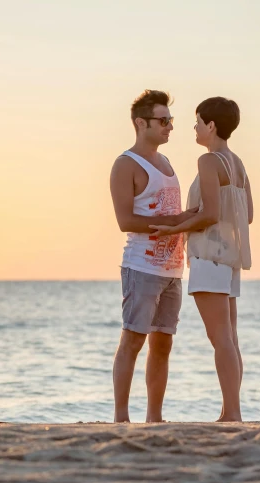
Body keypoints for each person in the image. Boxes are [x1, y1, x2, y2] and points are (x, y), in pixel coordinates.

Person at [150, 97, 253, 422]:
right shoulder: (237, 162)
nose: (193, 127)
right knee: (230, 338)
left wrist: (175, 229)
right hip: (230, 257)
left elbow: (209, 213)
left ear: (211, 126)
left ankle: (232, 414)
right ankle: (230, 410)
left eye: (197, 121)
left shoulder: (209, 162)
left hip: (209, 256)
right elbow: (247, 215)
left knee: (220, 338)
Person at [109, 90, 197, 423]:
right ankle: (121, 418)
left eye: (171, 120)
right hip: (141, 266)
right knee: (132, 339)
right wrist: (176, 220)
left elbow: (174, 214)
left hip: (172, 270)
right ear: (140, 123)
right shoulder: (125, 165)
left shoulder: (167, 163)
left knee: (163, 345)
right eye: (163, 120)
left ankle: (154, 419)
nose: (170, 126)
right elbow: (125, 221)